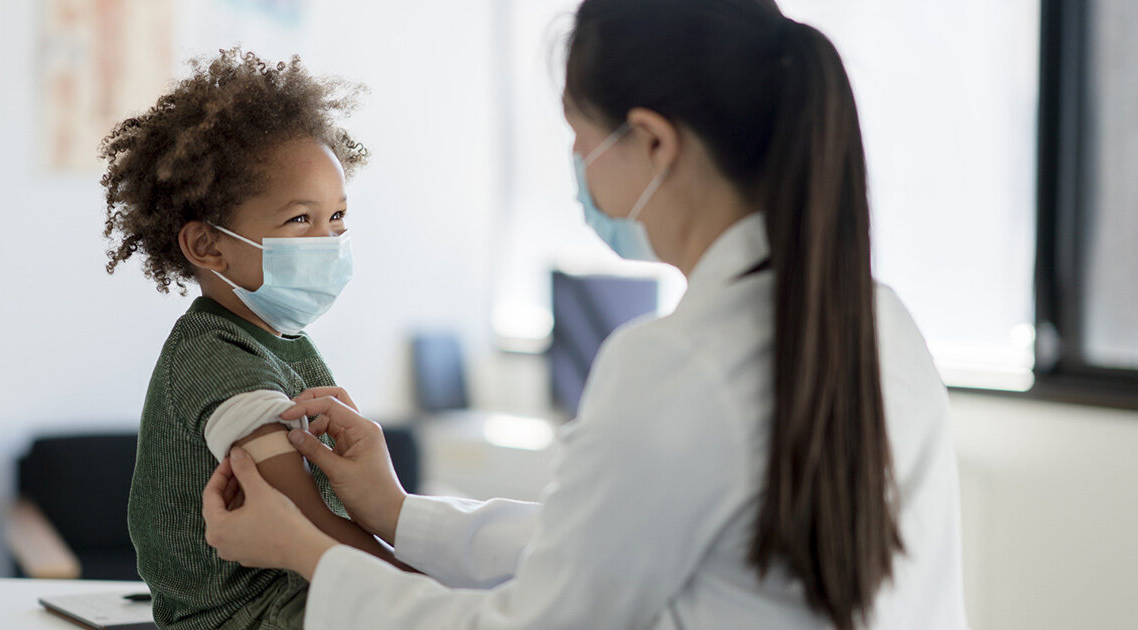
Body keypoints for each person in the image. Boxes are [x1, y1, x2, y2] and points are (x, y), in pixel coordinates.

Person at [201, 1, 968, 628]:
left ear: (655, 142)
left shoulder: (677, 362)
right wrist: (398, 513)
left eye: (580, 141)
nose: (578, 172)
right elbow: (602, 543)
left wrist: (306, 553)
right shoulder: (882, 321)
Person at [102, 48, 409, 629]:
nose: (329, 241)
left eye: (337, 217)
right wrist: (431, 589)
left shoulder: (282, 338)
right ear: (207, 246)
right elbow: (307, 520)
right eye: (300, 220)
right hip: (247, 616)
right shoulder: (215, 356)